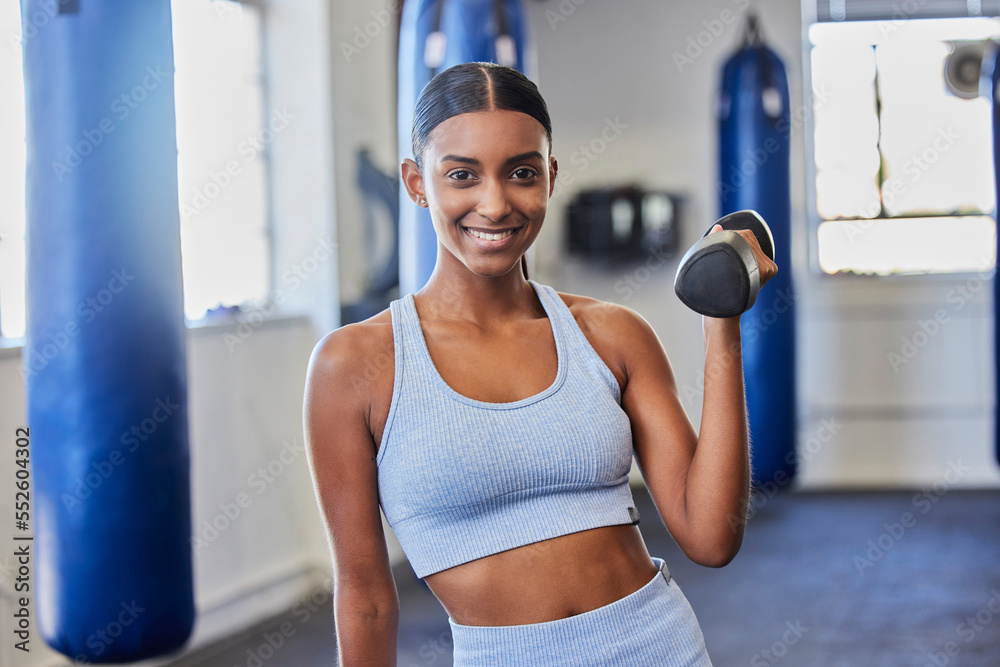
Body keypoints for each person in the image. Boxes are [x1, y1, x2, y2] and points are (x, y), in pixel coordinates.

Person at [303, 62, 777, 666]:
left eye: (521, 173)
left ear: (550, 177)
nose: (495, 204)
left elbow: (710, 538)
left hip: (659, 646)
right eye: (462, 176)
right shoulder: (353, 365)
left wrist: (723, 323)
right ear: (417, 182)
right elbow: (366, 598)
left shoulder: (611, 335)